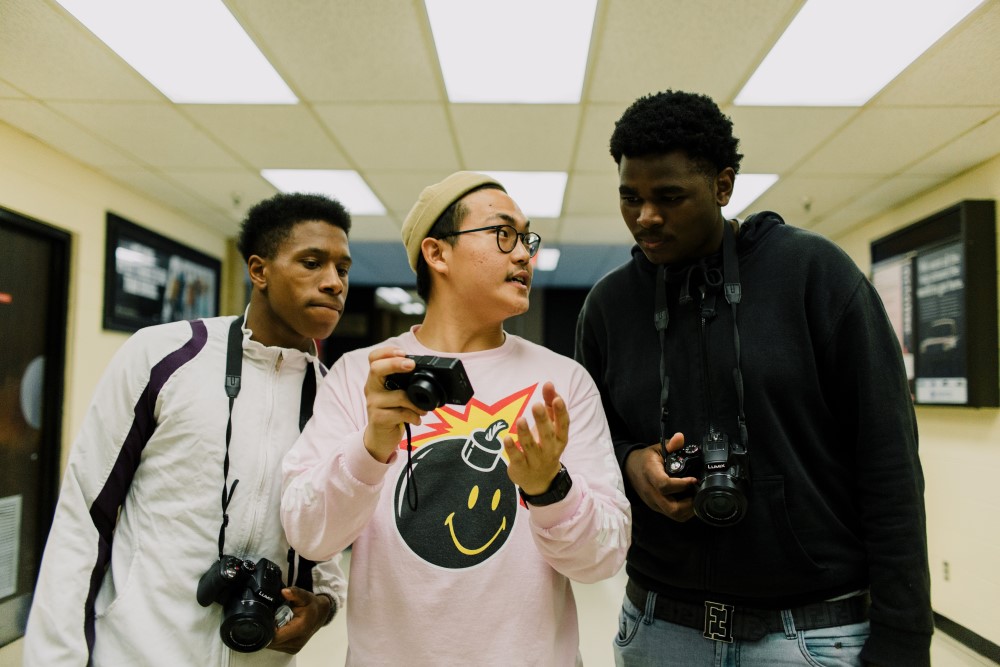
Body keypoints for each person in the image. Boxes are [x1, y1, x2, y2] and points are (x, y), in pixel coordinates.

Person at [574, 90, 932, 667]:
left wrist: (905, 638)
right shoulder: (609, 307)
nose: (645, 217)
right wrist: (631, 461)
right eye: (630, 198)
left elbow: (888, 463)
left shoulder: (815, 275)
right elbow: (587, 448)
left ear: (723, 185)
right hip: (659, 628)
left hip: (813, 636)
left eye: (669, 197)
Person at [281, 171, 631, 666]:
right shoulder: (363, 375)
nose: (524, 255)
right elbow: (309, 534)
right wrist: (371, 445)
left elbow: (604, 559)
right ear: (437, 253)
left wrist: (549, 488)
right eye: (502, 234)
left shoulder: (562, 382)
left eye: (526, 239)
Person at [24, 192, 353, 666]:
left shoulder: (334, 398)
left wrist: (323, 606)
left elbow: (327, 533)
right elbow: (84, 514)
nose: (333, 283)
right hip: (139, 650)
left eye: (341, 269)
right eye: (311, 262)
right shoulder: (163, 355)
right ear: (259, 271)